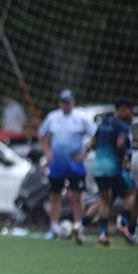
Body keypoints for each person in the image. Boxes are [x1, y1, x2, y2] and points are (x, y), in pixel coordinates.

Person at [38, 89, 96, 243]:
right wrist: (47, 152)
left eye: (68, 102)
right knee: (54, 195)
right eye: (63, 102)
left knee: (77, 195)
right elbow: (42, 135)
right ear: (60, 103)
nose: (66, 105)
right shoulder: (53, 117)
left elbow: (95, 136)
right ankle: (53, 227)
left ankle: (78, 226)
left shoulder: (81, 118)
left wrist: (84, 153)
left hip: (75, 164)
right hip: (57, 164)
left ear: (73, 102)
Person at [89, 100, 138, 245]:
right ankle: (123, 224)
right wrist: (123, 158)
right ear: (123, 110)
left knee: (105, 200)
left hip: (98, 167)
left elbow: (93, 144)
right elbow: (121, 144)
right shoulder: (122, 126)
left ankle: (103, 234)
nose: (132, 114)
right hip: (115, 168)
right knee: (131, 193)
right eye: (131, 110)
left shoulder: (102, 124)